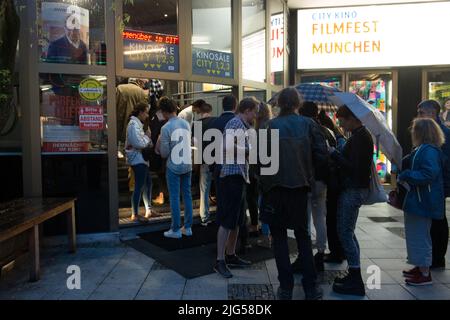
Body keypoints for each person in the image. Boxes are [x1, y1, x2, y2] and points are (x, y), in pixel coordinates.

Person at [259, 88, 328, 300]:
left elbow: (260, 163)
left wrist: (265, 187)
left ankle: (286, 287)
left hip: (275, 190)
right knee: (303, 238)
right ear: (297, 103)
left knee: (279, 239)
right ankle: (310, 287)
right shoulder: (309, 125)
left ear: (279, 103)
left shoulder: (269, 126)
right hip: (299, 188)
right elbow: (322, 156)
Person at [329, 105, 373, 296]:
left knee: (345, 233)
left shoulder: (361, 137)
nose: (340, 123)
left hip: (353, 189)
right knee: (348, 232)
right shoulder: (359, 135)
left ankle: (355, 278)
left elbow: (354, 167)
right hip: (354, 188)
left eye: (342, 119)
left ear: (352, 119)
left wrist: (334, 154)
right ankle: (353, 272)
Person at [213, 97, 258, 279]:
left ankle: (230, 255)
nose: (255, 115)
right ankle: (220, 261)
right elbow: (225, 146)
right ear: (246, 110)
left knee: (237, 220)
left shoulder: (241, 125)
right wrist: (249, 150)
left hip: (237, 177)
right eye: (254, 111)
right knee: (227, 220)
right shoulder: (236, 123)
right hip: (230, 177)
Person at [399, 118, 445, 286]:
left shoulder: (428, 151)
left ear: (421, 132)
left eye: (414, 130)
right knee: (416, 235)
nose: (412, 132)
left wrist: (406, 175)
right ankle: (420, 267)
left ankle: (425, 273)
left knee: (420, 236)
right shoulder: (425, 149)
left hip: (423, 201)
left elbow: (428, 175)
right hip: (420, 200)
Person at [292, 101, 331, 272]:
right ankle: (321, 252)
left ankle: (304, 254)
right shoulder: (324, 130)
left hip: (305, 179)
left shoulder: (301, 130)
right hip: (321, 180)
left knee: (303, 218)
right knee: (320, 218)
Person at [417, 100, 450, 269]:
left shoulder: (441, 132)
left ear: (432, 113)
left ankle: (437, 258)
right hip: (435, 182)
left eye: (421, 113)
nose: (418, 116)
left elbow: (443, 161)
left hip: (438, 183)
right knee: (435, 218)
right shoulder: (428, 130)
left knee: (438, 219)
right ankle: (434, 257)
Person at [155, 97, 193, 239]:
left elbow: (164, 153)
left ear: (164, 112)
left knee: (175, 197)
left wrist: (159, 142)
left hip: (173, 166)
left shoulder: (165, 128)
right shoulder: (186, 123)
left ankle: (175, 229)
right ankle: (187, 227)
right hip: (187, 164)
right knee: (187, 196)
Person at [317, 110, 347, 263]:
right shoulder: (338, 136)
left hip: (335, 185)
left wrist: (332, 153)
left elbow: (343, 160)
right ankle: (337, 251)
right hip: (334, 184)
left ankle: (337, 252)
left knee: (332, 219)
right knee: (332, 218)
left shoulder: (338, 138)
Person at [125, 102, 154, 222]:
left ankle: (148, 210)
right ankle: (135, 214)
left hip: (141, 159)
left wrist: (146, 140)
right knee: (140, 186)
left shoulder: (136, 124)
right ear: (141, 112)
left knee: (147, 184)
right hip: (138, 159)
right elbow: (139, 143)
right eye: (146, 112)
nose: (147, 115)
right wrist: (147, 137)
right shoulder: (133, 125)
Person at [193, 103, 217, 226]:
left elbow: (195, 144)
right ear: (210, 111)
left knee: (204, 189)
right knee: (219, 188)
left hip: (204, 161)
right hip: (217, 160)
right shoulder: (216, 121)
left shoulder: (196, 124)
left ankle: (204, 217)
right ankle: (221, 214)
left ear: (200, 112)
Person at [116, 78, 148, 144]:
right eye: (143, 83)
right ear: (139, 81)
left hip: (118, 124)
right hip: (134, 124)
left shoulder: (119, 88)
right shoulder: (141, 92)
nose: (144, 86)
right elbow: (144, 110)